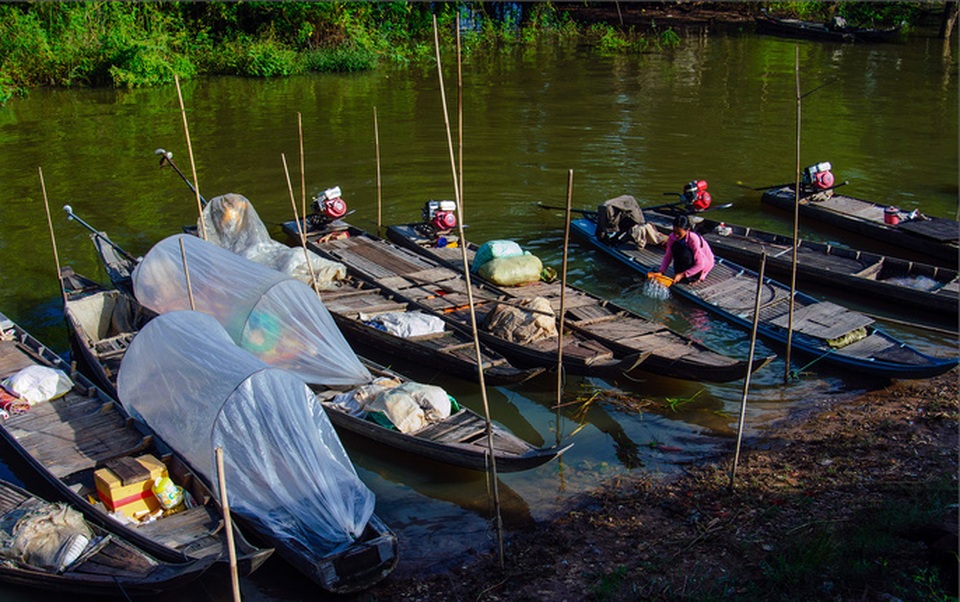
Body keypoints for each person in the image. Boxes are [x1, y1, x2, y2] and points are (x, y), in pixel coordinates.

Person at [650, 215, 715, 284]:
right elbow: (668, 256)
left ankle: (694, 277)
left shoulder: (693, 239)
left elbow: (700, 264)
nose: (676, 235)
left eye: (679, 233)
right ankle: (682, 273)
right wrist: (661, 271)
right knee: (676, 247)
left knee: (684, 252)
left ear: (687, 230)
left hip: (703, 264)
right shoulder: (672, 237)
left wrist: (682, 274)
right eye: (674, 232)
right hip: (688, 261)